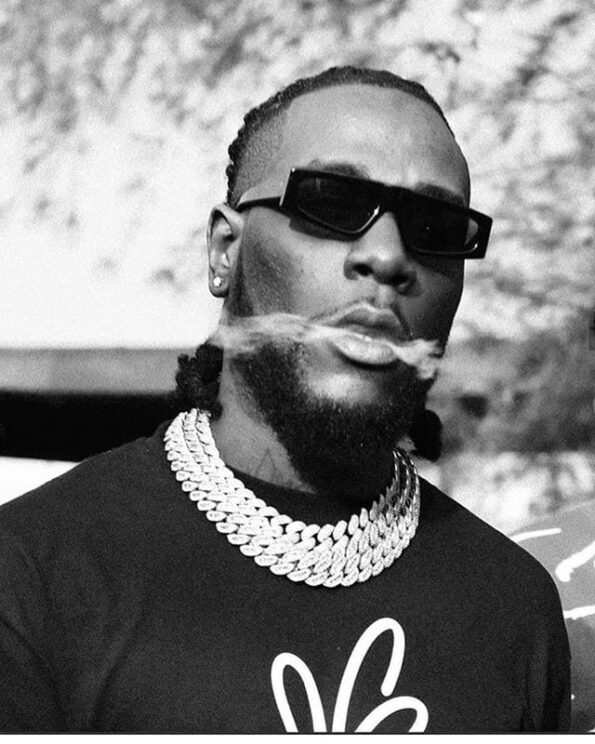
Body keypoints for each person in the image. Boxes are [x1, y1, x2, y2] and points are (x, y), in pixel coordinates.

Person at [0, 66, 570, 733]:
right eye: (332, 202)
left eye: (435, 225)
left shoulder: (512, 608)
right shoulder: (34, 571)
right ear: (225, 250)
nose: (387, 256)